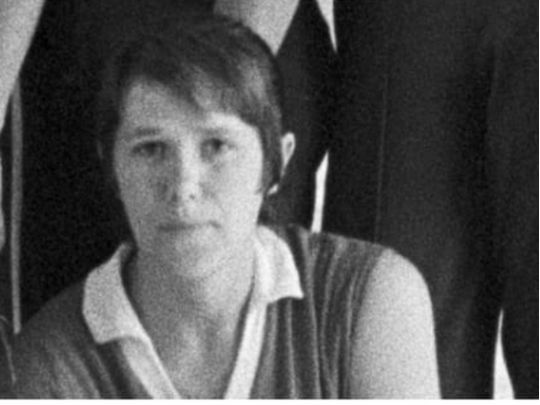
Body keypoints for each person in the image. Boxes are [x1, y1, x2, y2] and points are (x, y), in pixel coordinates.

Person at [11, 14, 439, 398]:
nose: (183, 187)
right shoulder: (46, 363)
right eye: (151, 149)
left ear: (276, 161)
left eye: (216, 146)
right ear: (112, 167)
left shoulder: (369, 302)